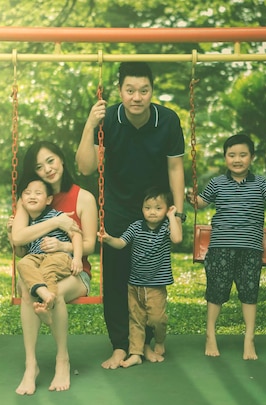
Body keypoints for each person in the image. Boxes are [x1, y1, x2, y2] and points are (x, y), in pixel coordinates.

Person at [76, 61, 186, 369]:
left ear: (151, 90)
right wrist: (89, 124)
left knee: (149, 278)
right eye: (129, 90)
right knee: (116, 279)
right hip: (117, 207)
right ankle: (120, 346)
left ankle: (145, 344)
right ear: (120, 91)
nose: (136, 97)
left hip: (154, 209)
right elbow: (85, 167)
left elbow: (175, 167)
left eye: (144, 90)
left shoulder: (167, 120)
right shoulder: (107, 119)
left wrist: (177, 212)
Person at [186, 134, 266, 360]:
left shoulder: (260, 183)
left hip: (251, 248)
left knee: (249, 293)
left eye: (243, 155)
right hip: (221, 247)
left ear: (251, 157)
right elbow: (201, 202)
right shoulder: (217, 183)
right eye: (232, 155)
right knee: (216, 292)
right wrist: (191, 197)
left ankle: (249, 339)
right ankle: (210, 335)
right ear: (225, 158)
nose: (237, 159)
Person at [9, 141, 98, 394]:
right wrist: (56, 222)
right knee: (28, 288)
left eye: (50, 160)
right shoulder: (29, 197)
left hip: (74, 271)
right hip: (37, 266)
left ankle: (62, 360)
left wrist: (64, 246)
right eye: (39, 166)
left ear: (61, 159)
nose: (47, 169)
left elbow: (90, 244)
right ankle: (31, 366)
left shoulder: (84, 197)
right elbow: (18, 239)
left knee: (54, 291)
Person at [98, 187, 182, 368]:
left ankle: (159, 340)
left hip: (156, 286)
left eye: (158, 208)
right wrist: (108, 238)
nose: (152, 212)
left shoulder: (167, 228)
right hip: (135, 285)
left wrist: (172, 217)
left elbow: (176, 239)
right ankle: (136, 353)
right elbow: (121, 243)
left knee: (156, 319)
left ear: (166, 210)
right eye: (148, 207)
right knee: (136, 320)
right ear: (142, 209)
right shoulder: (136, 227)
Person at [10, 174, 83, 317]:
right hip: (36, 257)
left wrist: (77, 258)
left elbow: (77, 234)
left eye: (38, 193)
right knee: (23, 264)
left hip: (59, 256)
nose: (32, 196)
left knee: (47, 270)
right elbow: (20, 252)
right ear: (22, 201)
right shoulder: (26, 227)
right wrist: (9, 231)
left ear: (49, 200)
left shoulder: (57, 216)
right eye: (27, 193)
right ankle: (44, 295)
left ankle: (48, 303)